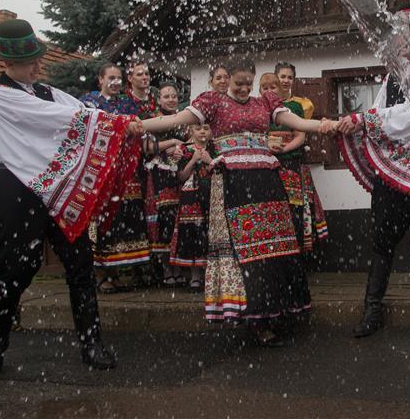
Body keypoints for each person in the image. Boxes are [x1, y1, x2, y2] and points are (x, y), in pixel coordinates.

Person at [0, 18, 143, 376]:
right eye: (30, 61)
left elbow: (83, 113)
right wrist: (110, 123)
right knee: (17, 270)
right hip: (18, 189)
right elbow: (59, 119)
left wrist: (121, 125)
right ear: (8, 63)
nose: (39, 65)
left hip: (59, 188)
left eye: (38, 58)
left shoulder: (49, 92)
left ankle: (91, 343)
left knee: (80, 264)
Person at [140, 59, 338, 346]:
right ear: (227, 80)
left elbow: (296, 123)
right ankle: (255, 318)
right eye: (239, 83)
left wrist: (324, 125)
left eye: (249, 83)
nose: (245, 88)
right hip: (233, 183)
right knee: (244, 249)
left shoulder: (265, 102)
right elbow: (174, 120)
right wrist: (136, 125)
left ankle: (278, 311)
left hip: (267, 183)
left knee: (274, 246)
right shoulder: (213, 103)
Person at [336, 8, 410, 338]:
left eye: (399, 32)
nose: (393, 39)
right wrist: (356, 123)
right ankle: (372, 308)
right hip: (392, 170)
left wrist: (367, 120)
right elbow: (381, 113)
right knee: (382, 238)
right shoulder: (392, 77)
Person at [81, 63, 151, 292]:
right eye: (110, 77)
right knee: (103, 221)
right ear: (100, 80)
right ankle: (101, 273)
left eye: (119, 78)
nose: (115, 82)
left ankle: (116, 271)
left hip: (125, 170)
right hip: (101, 171)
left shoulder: (127, 103)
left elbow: (139, 129)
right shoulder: (90, 102)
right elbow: (90, 126)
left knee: (123, 219)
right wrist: (120, 125)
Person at [264, 65, 328, 252]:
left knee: (295, 208)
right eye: (281, 77)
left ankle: (297, 251)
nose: (285, 80)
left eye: (289, 77)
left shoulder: (299, 105)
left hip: (291, 161)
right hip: (269, 163)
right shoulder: (260, 106)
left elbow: (301, 135)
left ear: (293, 80)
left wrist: (282, 149)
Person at [147, 83, 185, 286]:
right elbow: (148, 146)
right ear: (159, 99)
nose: (171, 99)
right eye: (166, 96)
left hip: (179, 172)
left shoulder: (184, 119)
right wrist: (171, 144)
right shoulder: (154, 119)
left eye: (174, 96)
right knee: (163, 217)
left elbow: (191, 141)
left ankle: (178, 265)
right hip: (159, 171)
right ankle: (165, 268)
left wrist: (182, 150)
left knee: (178, 218)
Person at [170, 123, 215, 291]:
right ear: (190, 131)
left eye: (206, 128)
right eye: (198, 128)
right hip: (191, 195)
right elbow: (181, 176)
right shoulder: (183, 149)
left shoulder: (216, 146)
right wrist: (194, 160)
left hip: (211, 192)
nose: (202, 131)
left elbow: (221, 169)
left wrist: (209, 160)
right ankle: (195, 276)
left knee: (210, 230)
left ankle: (210, 274)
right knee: (192, 230)